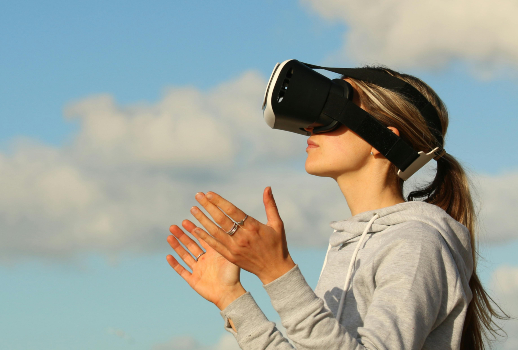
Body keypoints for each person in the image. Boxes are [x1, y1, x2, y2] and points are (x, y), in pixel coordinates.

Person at [165, 67, 508, 349]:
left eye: (332, 111)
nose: (311, 125)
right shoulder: (349, 246)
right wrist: (232, 298)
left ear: (382, 140)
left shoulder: (417, 244)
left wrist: (278, 273)